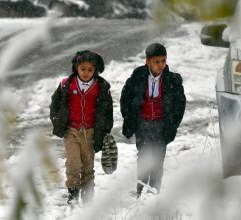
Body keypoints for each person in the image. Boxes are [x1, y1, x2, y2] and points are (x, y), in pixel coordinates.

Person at [120, 43, 186, 197]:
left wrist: (172, 124)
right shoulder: (138, 76)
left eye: (163, 61)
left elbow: (180, 104)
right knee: (143, 157)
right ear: (147, 62)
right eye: (156, 62)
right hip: (143, 124)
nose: (160, 65)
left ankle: (154, 194)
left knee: (157, 160)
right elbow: (125, 97)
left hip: (161, 125)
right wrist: (129, 118)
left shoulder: (172, 80)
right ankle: (140, 191)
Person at [49, 50, 113, 205]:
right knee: (73, 164)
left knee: (87, 165)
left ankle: (88, 194)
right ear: (76, 68)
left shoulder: (101, 87)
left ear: (96, 70)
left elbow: (107, 111)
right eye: (83, 69)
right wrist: (57, 120)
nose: (86, 73)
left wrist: (105, 130)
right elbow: (54, 105)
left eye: (90, 70)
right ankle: (73, 192)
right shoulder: (66, 85)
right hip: (71, 131)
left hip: (90, 132)